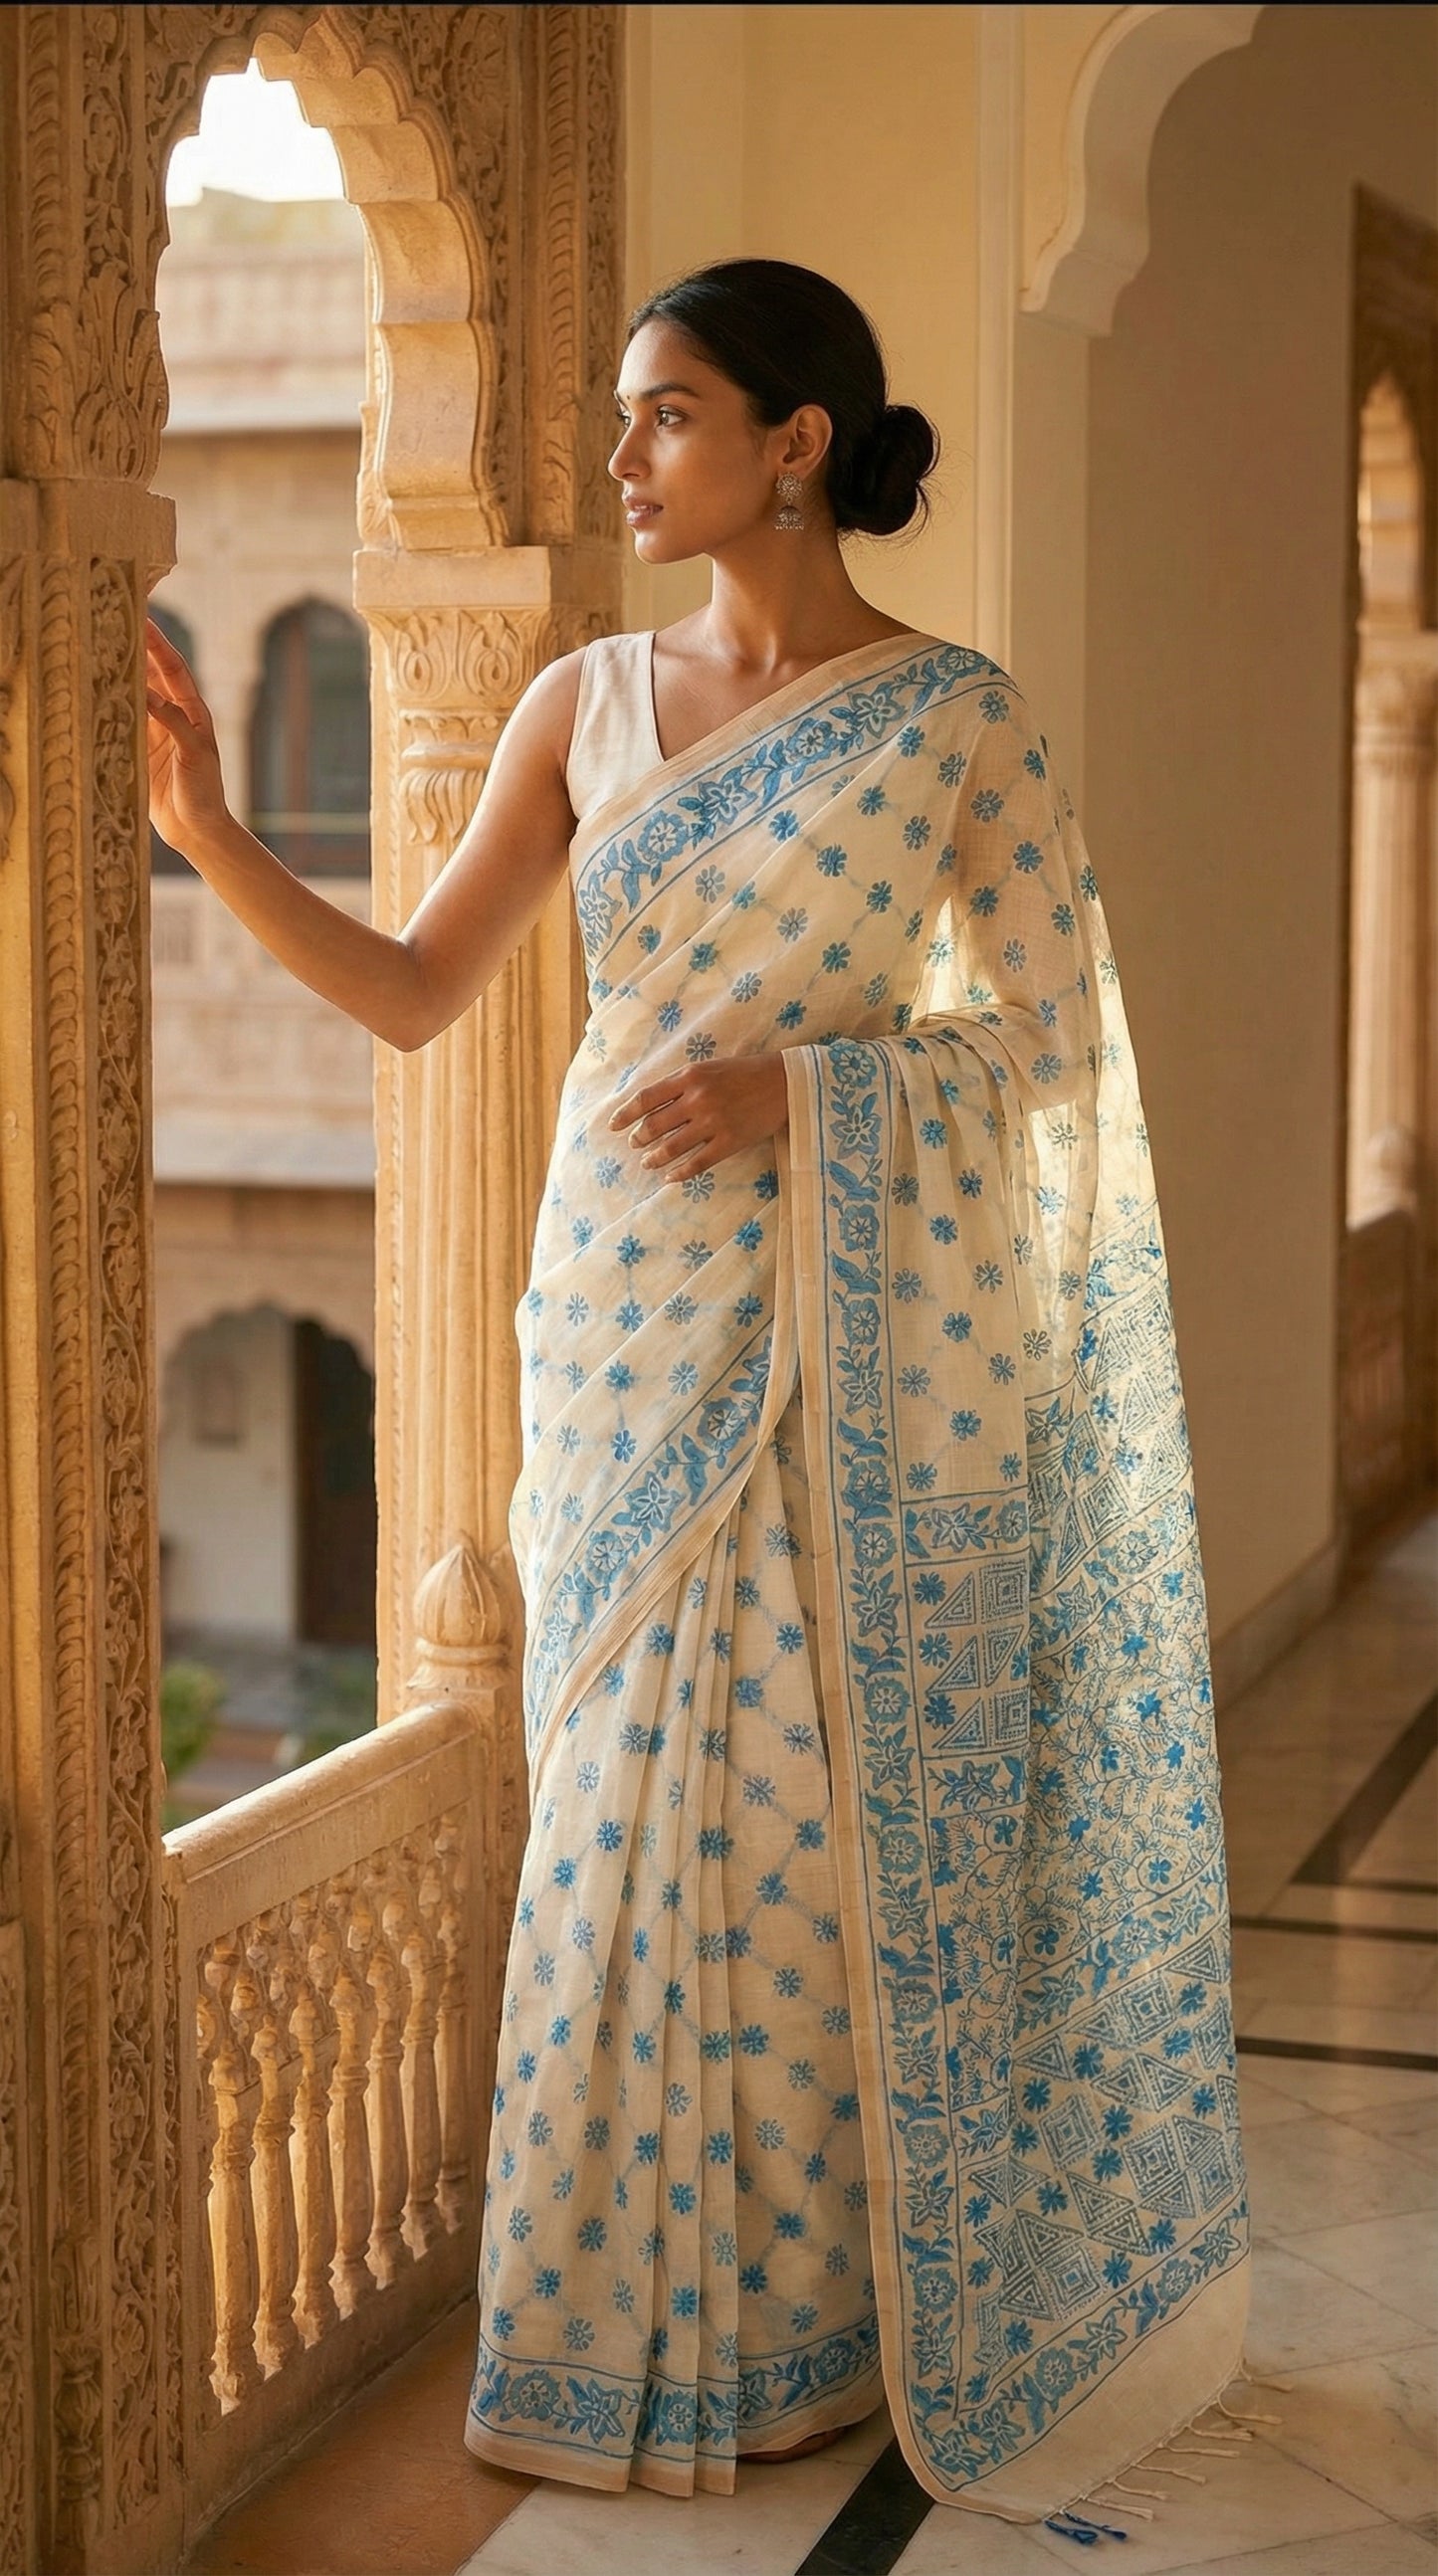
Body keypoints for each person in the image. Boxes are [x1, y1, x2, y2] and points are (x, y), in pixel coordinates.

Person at [145, 257, 1251, 2529]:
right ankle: (603, 2316)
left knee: (782, 1816)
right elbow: (422, 988)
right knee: (617, 1807)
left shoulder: (955, 722)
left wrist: (806, 1098)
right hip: (621, 1316)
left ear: (797, 442)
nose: (624, 456)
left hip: (836, 1342)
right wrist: (214, 833)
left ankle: (800, 2321)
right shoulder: (578, 702)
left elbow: (1050, 1052)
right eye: (623, 414)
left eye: (663, 415)